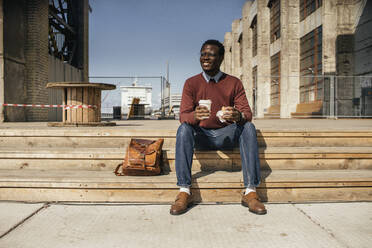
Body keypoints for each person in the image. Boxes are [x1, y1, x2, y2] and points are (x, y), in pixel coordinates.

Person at [170, 39, 266, 215]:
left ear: (221, 58)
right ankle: (184, 190)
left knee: (249, 127)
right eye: (203, 54)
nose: (205, 58)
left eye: (211, 55)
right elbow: (183, 116)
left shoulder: (233, 82)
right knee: (183, 129)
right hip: (201, 135)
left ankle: (251, 191)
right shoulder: (191, 83)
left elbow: (247, 114)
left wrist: (238, 115)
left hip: (226, 135)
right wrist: (194, 116)